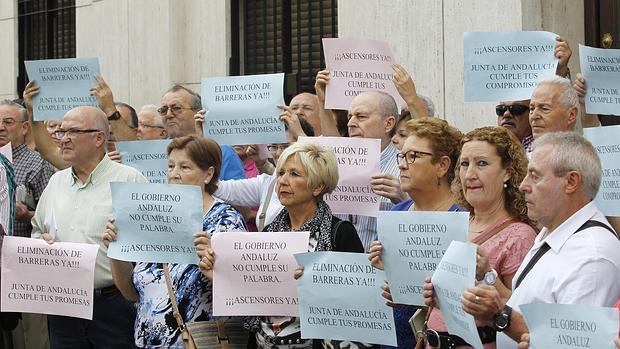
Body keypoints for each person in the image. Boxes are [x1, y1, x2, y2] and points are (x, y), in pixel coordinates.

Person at [453, 132, 619, 349]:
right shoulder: (555, 231)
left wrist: (499, 315)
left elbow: (572, 344)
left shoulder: (592, 257)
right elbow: (523, 302)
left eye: (535, 175)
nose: (523, 185)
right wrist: (486, 278)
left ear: (571, 182)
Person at [200, 141, 363, 348]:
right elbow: (254, 298)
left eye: (294, 174)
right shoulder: (269, 233)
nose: (283, 181)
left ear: (318, 186)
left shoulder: (340, 234)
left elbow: (356, 304)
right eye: (281, 173)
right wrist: (220, 278)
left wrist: (318, 285)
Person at [102, 135, 248, 348]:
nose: (174, 174)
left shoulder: (225, 221)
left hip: (199, 342)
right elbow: (130, 293)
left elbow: (241, 292)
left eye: (184, 167)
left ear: (208, 174)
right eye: (170, 166)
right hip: (148, 341)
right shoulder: (153, 217)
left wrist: (214, 265)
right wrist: (115, 249)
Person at [31, 106, 147, 348]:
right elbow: (38, 229)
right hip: (63, 306)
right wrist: (41, 241)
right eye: (61, 132)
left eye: (72, 132)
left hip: (113, 305)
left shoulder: (129, 180)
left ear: (98, 138)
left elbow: (148, 248)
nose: (63, 139)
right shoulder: (56, 182)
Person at [422, 126, 537, 349]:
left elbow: (522, 314)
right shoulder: (453, 223)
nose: (470, 174)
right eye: (464, 164)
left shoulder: (520, 236)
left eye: (482, 163)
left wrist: (487, 275)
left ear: (508, 172)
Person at [369, 117, 464, 349]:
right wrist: (378, 266)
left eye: (413, 156)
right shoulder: (396, 212)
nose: (402, 164)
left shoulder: (463, 218)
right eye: (402, 155)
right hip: (394, 340)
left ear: (442, 165)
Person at [213, 106, 315, 231]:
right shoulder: (266, 183)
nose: (278, 153)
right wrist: (205, 137)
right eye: (274, 146)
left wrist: (301, 135)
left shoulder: (319, 184)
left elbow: (322, 162)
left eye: (286, 146)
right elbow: (220, 189)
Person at [159, 84, 246, 180]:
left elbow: (237, 193)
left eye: (176, 108)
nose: (168, 114)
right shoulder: (154, 152)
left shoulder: (223, 153)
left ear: (198, 112)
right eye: (163, 110)